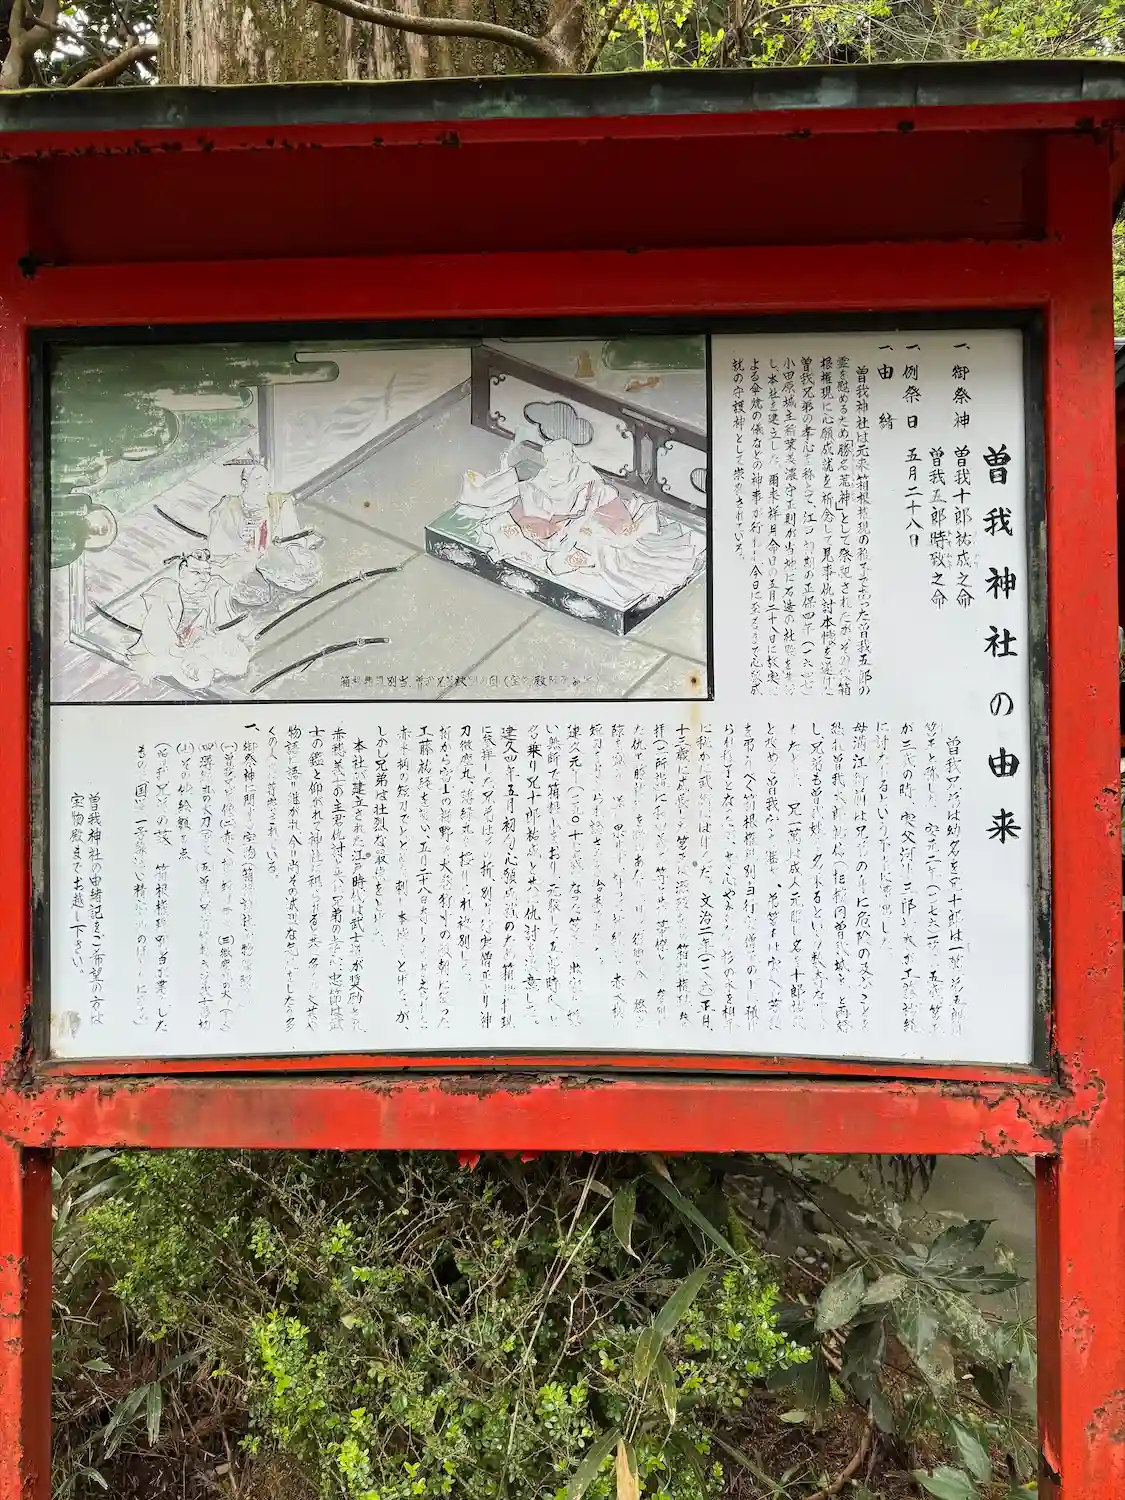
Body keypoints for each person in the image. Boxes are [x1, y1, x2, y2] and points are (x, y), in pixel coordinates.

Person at [129, 550, 252, 692]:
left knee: (238, 662)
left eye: (207, 572)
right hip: (166, 653)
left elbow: (225, 622)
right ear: (182, 572)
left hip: (196, 650)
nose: (204, 578)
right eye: (196, 572)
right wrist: (179, 652)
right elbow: (156, 633)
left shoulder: (214, 589)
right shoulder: (166, 589)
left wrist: (215, 631)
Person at [208, 459, 324, 609]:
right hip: (243, 564)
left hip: (273, 560)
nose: (265, 487)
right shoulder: (228, 508)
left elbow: (290, 541)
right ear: (244, 484)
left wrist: (292, 552)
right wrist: (244, 548)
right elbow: (220, 550)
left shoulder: (279, 503)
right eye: (258, 481)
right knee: (254, 591)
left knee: (308, 569)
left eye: (267, 482)